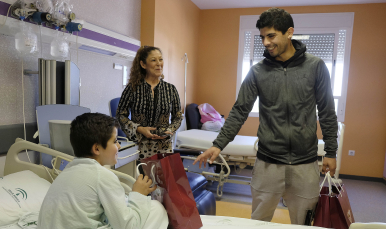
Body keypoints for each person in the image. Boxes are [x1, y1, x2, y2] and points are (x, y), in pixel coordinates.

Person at [193, 7, 338, 225]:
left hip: (305, 163)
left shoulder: (316, 67)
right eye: (262, 37)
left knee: (304, 223)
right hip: (268, 162)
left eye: (271, 36)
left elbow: (327, 111)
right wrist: (218, 144)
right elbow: (240, 110)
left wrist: (331, 151)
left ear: (289, 32)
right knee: (258, 221)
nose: (266, 43)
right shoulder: (257, 71)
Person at [38, 113, 168, 229]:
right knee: (156, 209)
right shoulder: (102, 175)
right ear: (97, 149)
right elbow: (127, 225)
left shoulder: (67, 171)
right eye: (115, 141)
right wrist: (138, 194)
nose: (118, 146)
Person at [116, 46, 183, 160]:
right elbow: (120, 115)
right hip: (139, 147)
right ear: (143, 64)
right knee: (143, 177)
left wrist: (170, 129)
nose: (159, 63)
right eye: (153, 60)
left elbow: (178, 116)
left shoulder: (171, 89)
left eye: (161, 59)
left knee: (166, 178)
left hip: (164, 147)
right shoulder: (132, 88)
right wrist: (139, 128)